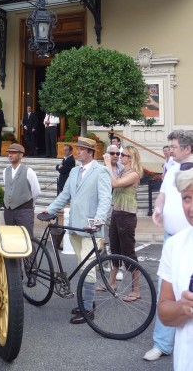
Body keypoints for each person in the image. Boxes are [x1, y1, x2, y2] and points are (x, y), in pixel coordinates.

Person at [45, 137, 111, 324]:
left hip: (91, 229)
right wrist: (49, 210)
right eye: (77, 149)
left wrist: (98, 221)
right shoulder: (74, 171)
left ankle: (88, 309)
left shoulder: (101, 171)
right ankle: (86, 302)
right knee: (82, 266)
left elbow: (105, 199)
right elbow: (65, 195)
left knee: (88, 269)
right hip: (74, 227)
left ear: (90, 152)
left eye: (82, 149)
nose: (78, 152)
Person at [143, 129, 192, 362]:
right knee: (167, 293)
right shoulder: (172, 168)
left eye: (174, 146)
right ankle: (162, 344)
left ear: (187, 148)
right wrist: (158, 209)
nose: (170, 150)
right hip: (171, 239)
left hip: (186, 237)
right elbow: (162, 195)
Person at [157, 167, 193, 371]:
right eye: (187, 198)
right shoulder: (175, 245)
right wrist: (184, 307)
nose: (191, 208)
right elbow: (164, 312)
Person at [104, 146, 143, 300]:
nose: (120, 156)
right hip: (117, 212)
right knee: (114, 248)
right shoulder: (122, 171)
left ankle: (136, 290)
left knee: (128, 252)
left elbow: (115, 184)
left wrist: (108, 165)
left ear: (131, 158)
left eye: (123, 154)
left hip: (127, 216)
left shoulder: (134, 174)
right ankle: (111, 282)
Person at [2, 143, 40, 241]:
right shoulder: (5, 171)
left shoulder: (28, 171)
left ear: (21, 155)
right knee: (10, 239)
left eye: (14, 153)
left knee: (27, 238)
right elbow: (8, 187)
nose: (10, 155)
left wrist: (29, 204)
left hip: (24, 210)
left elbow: (36, 191)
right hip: (8, 210)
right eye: (9, 152)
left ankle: (30, 252)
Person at [102, 144, 123, 256]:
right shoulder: (102, 168)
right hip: (107, 201)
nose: (115, 155)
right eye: (112, 153)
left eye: (118, 153)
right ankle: (107, 247)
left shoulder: (122, 168)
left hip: (119, 202)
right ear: (107, 155)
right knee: (107, 225)